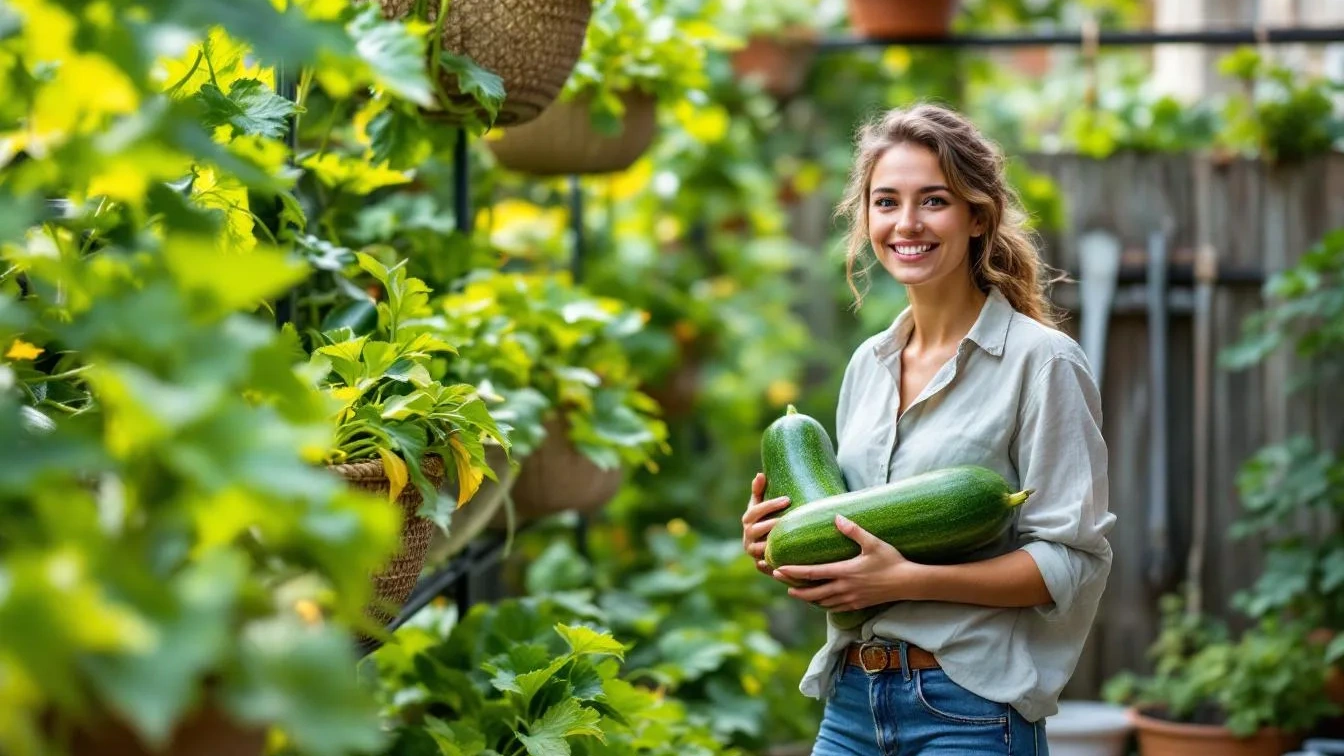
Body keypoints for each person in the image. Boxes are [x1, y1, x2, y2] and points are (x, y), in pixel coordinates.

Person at [741, 103, 1115, 755]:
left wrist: (910, 580)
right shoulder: (868, 365)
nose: (906, 223)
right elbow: (847, 534)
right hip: (852, 701)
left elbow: (1071, 560)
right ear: (867, 219)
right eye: (886, 202)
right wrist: (780, 543)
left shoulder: (1042, 361)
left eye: (933, 201)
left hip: (969, 712)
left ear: (977, 217)